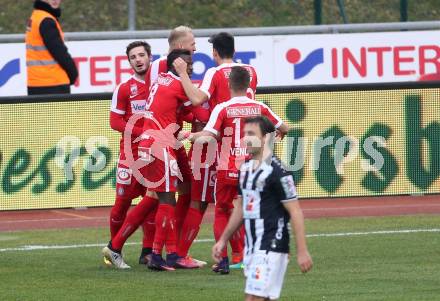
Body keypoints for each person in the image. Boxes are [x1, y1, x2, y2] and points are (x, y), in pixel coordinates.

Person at [102, 49, 204, 271]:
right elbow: (199, 104)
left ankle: (160, 253)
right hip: (157, 145)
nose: (191, 64)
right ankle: (150, 252)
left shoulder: (160, 81)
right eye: (188, 60)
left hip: (152, 144)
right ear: (177, 63)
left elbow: (185, 111)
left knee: (162, 197)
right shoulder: (176, 83)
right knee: (162, 200)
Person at [190, 66, 289, 274]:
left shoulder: (223, 108)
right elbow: (283, 127)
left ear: (229, 85)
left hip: (227, 169)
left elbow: (209, 134)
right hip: (252, 169)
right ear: (248, 85)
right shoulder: (259, 107)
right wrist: (277, 135)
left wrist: (189, 137)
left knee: (222, 211)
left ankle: (222, 261)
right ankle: (255, 257)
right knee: (254, 212)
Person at [173, 32, 258, 267]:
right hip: (244, 148)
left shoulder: (214, 72)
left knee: (200, 201)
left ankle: (180, 253)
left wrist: (182, 74)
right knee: (235, 202)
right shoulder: (250, 72)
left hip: (215, 146)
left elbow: (198, 98)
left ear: (215, 53)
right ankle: (240, 254)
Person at [212, 115, 313, 300]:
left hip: (271, 245)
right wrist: (223, 240)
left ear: (266, 137)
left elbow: (295, 211)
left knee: (253, 298)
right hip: (252, 247)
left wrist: (302, 250)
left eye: (251, 133)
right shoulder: (245, 169)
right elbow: (241, 207)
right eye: (245, 134)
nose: (245, 138)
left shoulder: (278, 172)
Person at [105, 41, 157, 268]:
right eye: (133, 57)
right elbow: (115, 121)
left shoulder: (159, 85)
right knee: (122, 204)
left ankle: (147, 251)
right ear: (129, 62)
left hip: (154, 154)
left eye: (141, 55)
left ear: (149, 57)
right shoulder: (124, 88)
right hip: (130, 155)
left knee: (152, 202)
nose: (138, 59)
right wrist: (141, 131)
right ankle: (115, 250)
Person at [25, 0, 78, 95]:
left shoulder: (36, 16)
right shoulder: (46, 21)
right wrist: (73, 74)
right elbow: (60, 53)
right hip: (53, 84)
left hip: (36, 83)